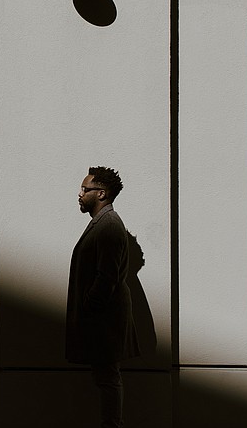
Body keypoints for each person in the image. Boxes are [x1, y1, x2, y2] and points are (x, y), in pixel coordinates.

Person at [66, 166, 140, 428]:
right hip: (102, 319)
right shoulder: (102, 224)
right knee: (106, 377)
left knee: (108, 378)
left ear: (102, 194)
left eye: (85, 189)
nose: (79, 194)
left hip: (104, 321)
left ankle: (113, 425)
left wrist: (88, 307)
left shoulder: (108, 226)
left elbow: (106, 277)